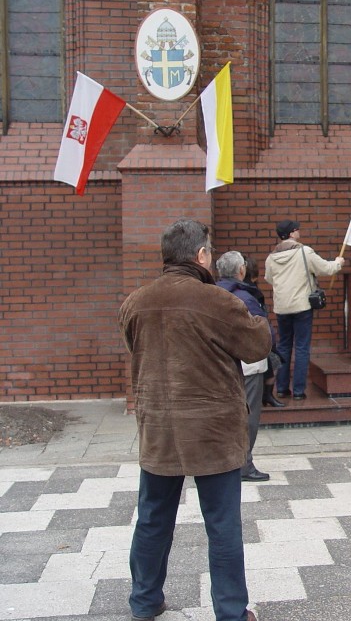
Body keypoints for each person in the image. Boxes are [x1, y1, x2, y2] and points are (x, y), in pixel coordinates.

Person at [119, 219, 269, 621]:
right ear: (201, 255)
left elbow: (135, 346)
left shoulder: (136, 301)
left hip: (159, 431)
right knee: (222, 525)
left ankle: (145, 601)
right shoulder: (216, 301)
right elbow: (257, 346)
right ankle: (232, 613)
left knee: (152, 518)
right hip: (212, 431)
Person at [265, 220, 344, 400]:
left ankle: (282, 389)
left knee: (284, 347)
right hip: (302, 306)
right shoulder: (304, 252)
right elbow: (326, 268)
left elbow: (269, 279)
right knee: (301, 348)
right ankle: (299, 391)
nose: (299, 232)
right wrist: (338, 262)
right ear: (292, 234)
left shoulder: (271, 258)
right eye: (296, 230)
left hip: (282, 307)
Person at [216, 251, 272, 482]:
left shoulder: (212, 293)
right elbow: (263, 333)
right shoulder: (246, 298)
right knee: (249, 416)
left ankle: (224, 461)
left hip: (220, 362)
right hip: (248, 365)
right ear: (241, 271)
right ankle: (244, 465)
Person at [242, 254, 284, 408]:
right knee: (273, 362)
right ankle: (267, 396)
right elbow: (261, 317)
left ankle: (267, 396)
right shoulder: (252, 292)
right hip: (257, 340)